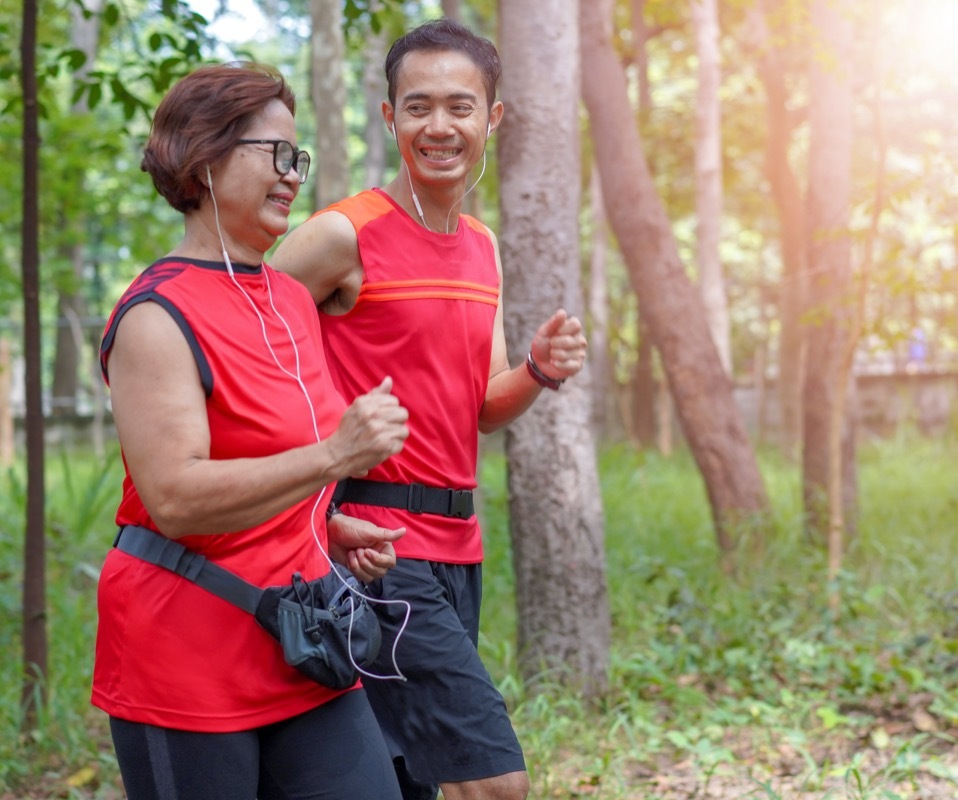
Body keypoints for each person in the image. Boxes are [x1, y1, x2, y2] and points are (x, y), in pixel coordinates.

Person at [271, 18, 588, 800]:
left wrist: (537, 373)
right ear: (389, 118)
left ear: (493, 118)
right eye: (417, 107)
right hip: (379, 548)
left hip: (460, 549)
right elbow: (239, 343)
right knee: (493, 781)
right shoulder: (343, 234)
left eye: (459, 107)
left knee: (413, 778)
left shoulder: (481, 245)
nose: (439, 126)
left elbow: (479, 405)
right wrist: (317, 510)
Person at [92, 62, 411, 800]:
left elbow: (270, 459)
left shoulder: (291, 301)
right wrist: (335, 455)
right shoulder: (154, 317)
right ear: (204, 158)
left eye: (298, 158)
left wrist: (322, 529)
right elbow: (174, 497)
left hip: (303, 644)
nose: (293, 175)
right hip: (185, 659)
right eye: (276, 154)